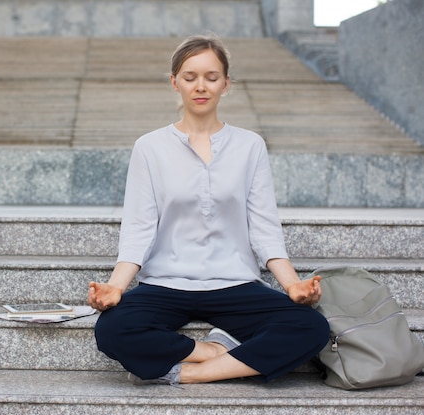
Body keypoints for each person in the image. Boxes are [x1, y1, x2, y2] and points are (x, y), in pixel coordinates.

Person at [87, 34, 330, 385]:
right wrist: (116, 287)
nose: (201, 86)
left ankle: (188, 374)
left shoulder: (250, 146)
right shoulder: (150, 147)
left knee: (311, 327)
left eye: (212, 77)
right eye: (190, 77)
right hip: (166, 283)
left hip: (234, 283)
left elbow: (263, 226)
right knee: (112, 329)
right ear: (175, 83)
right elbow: (140, 228)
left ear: (226, 84)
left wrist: (292, 285)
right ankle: (212, 352)